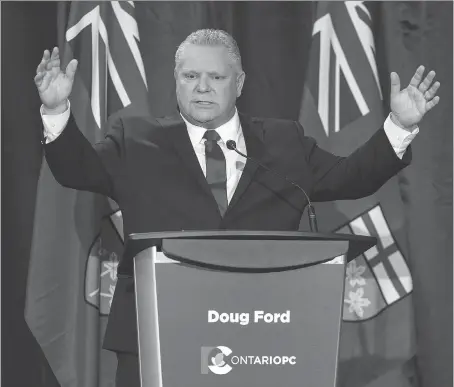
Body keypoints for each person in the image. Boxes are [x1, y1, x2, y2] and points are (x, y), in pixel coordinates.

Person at [34, 29, 440, 385]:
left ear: (240, 82)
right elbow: (77, 170)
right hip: (158, 336)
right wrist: (56, 111)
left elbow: (352, 177)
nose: (202, 87)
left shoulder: (284, 143)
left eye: (216, 76)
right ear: (176, 80)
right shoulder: (136, 140)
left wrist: (399, 126)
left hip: (264, 333)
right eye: (191, 76)